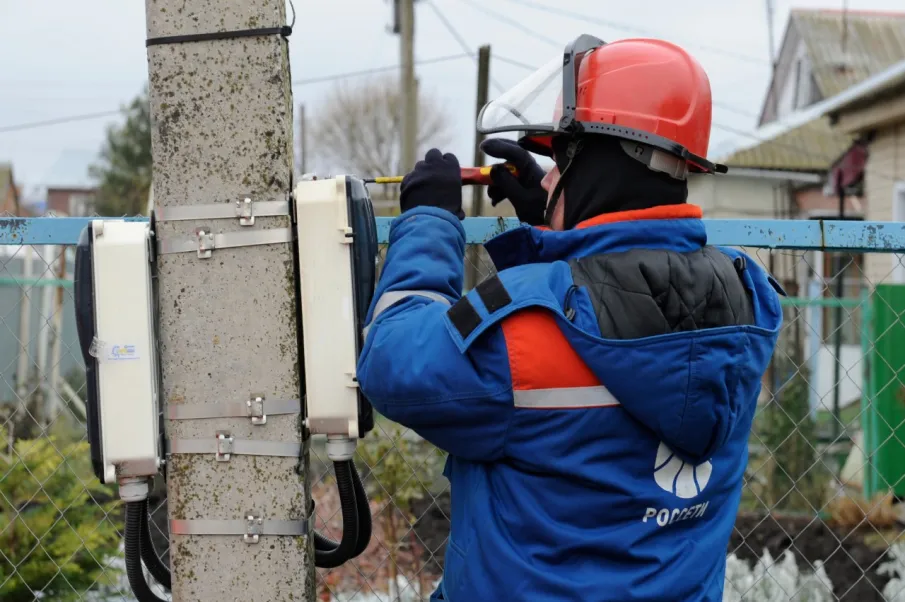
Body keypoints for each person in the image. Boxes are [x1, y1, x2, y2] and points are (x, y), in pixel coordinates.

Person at [357, 34, 784, 601]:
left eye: (562, 160)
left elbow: (393, 359)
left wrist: (430, 224)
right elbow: (615, 296)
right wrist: (561, 225)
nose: (550, 175)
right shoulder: (745, 302)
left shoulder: (524, 339)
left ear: (601, 163)